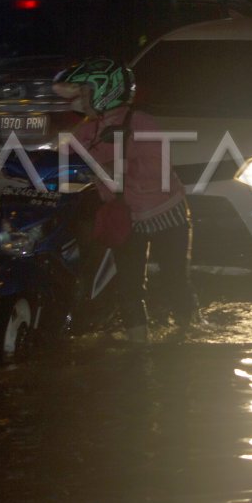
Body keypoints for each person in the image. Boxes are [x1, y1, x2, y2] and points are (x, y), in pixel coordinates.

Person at [52, 57, 198, 337]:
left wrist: (114, 167)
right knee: (129, 286)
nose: (80, 98)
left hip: (166, 213)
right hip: (126, 218)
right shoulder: (88, 129)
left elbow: (159, 168)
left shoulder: (141, 122)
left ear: (103, 90)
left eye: (85, 91)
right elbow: (63, 158)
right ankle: (138, 346)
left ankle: (188, 332)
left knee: (174, 280)